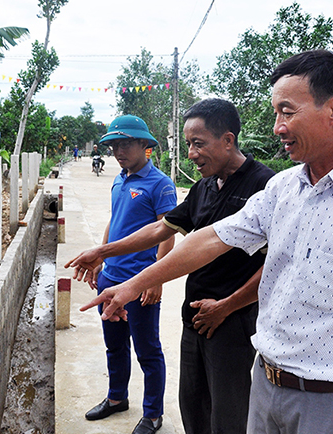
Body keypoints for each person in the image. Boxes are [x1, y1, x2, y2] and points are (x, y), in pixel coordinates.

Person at [81, 50, 333, 434]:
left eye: (287, 112)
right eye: (275, 113)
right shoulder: (283, 188)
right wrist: (133, 285)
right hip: (265, 387)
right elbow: (211, 239)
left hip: (330, 405)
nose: (277, 126)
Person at [67, 98, 275, 433]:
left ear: (228, 140)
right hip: (195, 314)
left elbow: (276, 264)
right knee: (193, 404)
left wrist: (227, 305)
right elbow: (162, 228)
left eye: (198, 143)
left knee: (229, 412)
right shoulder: (205, 186)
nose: (191, 153)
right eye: (188, 144)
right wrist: (102, 251)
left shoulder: (264, 185)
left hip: (232, 318)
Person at [83, 115, 177, 434]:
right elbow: (115, 219)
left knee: (147, 350)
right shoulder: (118, 179)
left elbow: (168, 233)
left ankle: (152, 413)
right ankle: (116, 398)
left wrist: (156, 279)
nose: (118, 151)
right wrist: (100, 256)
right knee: (115, 344)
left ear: (143, 145)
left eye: (125, 144)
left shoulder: (160, 184)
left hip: (140, 281)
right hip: (111, 278)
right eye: (113, 146)